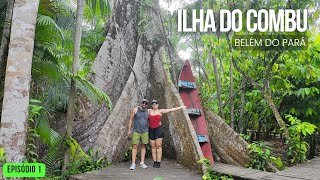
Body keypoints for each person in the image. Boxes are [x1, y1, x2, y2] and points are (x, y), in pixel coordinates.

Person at [148, 99, 186, 168]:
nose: (154, 105)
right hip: (151, 130)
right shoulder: (149, 111)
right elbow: (141, 109)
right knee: (153, 146)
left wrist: (180, 107)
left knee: (158, 146)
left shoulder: (160, 111)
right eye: (153, 104)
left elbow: (170, 109)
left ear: (157, 105)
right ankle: (155, 161)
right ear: (152, 105)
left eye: (155, 104)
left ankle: (158, 162)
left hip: (158, 130)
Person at [127, 99, 149, 170]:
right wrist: (129, 130)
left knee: (143, 146)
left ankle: (142, 162)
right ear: (141, 103)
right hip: (136, 131)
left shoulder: (148, 111)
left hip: (145, 131)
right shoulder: (135, 110)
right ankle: (133, 163)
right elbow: (131, 119)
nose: (144, 104)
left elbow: (157, 112)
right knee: (135, 146)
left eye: (146, 103)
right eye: (143, 103)